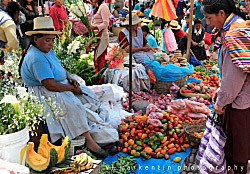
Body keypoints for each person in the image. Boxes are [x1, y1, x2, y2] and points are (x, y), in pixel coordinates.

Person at [20, 17, 117, 158]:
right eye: (48, 40)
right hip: (45, 92)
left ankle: (102, 135)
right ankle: (88, 140)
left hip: (59, 84)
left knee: (89, 95)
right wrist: (71, 89)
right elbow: (49, 84)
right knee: (74, 106)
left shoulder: (46, 50)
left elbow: (59, 68)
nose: (51, 44)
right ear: (36, 39)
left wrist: (70, 78)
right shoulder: (36, 58)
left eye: (53, 40)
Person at [201, 0, 250, 173]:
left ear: (221, 13)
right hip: (244, 98)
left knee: (237, 153)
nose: (207, 22)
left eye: (208, 17)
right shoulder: (239, 26)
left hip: (240, 103)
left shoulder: (234, 35)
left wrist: (220, 103)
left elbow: (233, 81)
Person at [89, 0, 110, 73]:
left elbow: (105, 23)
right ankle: (98, 76)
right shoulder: (100, 6)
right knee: (97, 56)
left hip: (102, 35)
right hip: (98, 34)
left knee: (99, 57)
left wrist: (93, 27)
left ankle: (100, 77)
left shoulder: (103, 7)